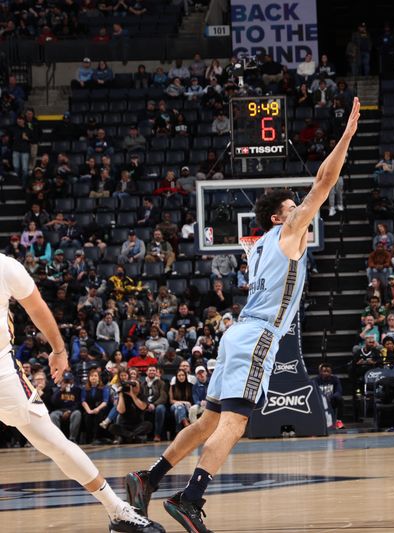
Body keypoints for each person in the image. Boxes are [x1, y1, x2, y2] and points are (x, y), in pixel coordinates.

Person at [123, 99, 360, 531]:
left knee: (207, 422)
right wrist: (346, 136)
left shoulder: (259, 243)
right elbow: (325, 180)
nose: (302, 213)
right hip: (258, 337)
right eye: (294, 207)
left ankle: (148, 477)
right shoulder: (288, 232)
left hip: (238, 334)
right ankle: (190, 498)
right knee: (235, 423)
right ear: (279, 216)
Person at [0, 253, 163, 531]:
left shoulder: (5, 267)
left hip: (1, 370)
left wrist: (59, 349)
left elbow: (36, 307)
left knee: (54, 443)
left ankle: (117, 510)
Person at [312, 363, 344, 429]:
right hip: (320, 402)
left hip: (331, 400)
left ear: (331, 372)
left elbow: (339, 391)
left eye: (328, 371)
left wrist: (332, 397)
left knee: (340, 399)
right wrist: (323, 399)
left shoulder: (335, 379)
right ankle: (315, 422)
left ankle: (338, 421)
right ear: (320, 372)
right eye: (324, 371)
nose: (326, 373)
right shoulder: (315, 380)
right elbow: (313, 393)